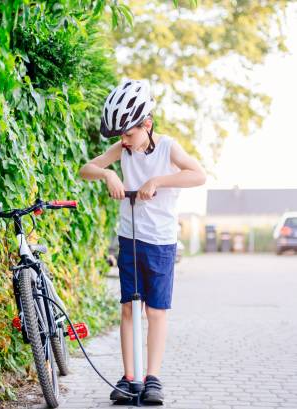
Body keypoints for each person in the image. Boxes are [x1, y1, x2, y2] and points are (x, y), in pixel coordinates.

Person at [78, 79, 206, 404]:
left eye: (130, 134)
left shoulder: (167, 147)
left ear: (147, 124)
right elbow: (86, 168)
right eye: (121, 135)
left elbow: (199, 174)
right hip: (129, 238)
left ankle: (152, 378)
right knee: (128, 309)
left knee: (155, 311)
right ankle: (130, 377)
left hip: (161, 242)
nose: (125, 141)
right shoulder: (122, 149)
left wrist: (158, 180)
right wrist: (109, 174)